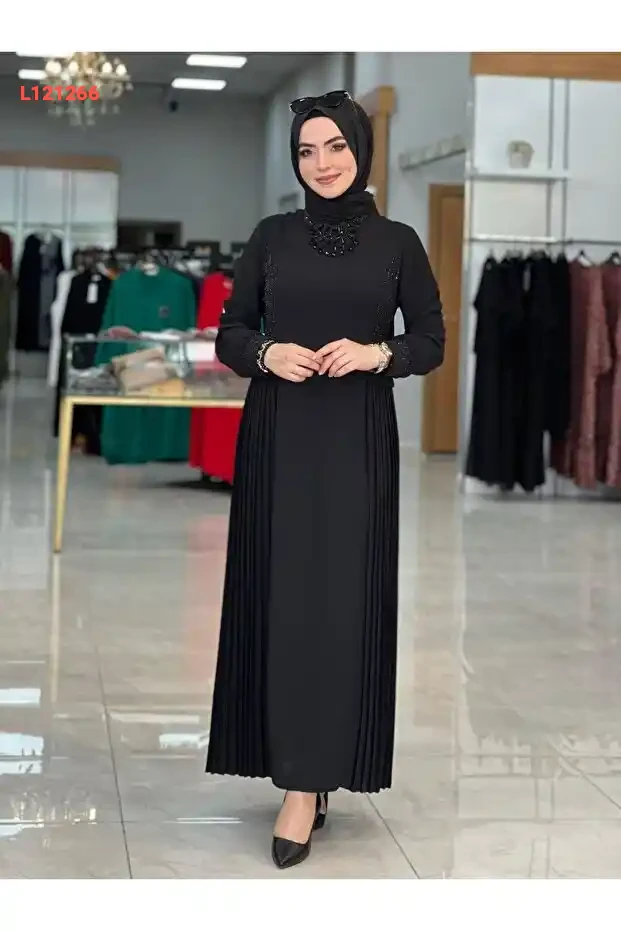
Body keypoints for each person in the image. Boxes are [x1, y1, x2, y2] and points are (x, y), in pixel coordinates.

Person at [205, 90, 445, 870]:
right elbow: (231, 331)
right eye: (307, 151)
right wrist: (264, 353)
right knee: (283, 597)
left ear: (360, 150)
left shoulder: (398, 242)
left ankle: (316, 774)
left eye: (335, 146)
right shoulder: (270, 236)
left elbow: (431, 339)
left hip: (356, 438)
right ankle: (296, 775)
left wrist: (379, 354)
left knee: (341, 602)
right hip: (279, 434)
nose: (322, 162)